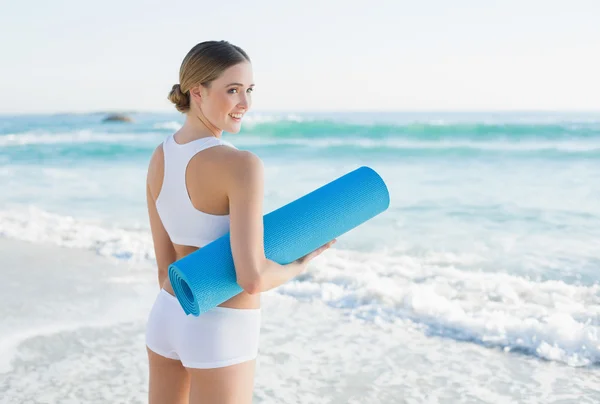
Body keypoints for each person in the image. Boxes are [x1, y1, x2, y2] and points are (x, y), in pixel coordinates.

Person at [144, 40, 336, 404]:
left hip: (167, 315)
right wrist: (300, 263)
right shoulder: (242, 165)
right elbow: (253, 278)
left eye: (248, 90)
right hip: (220, 329)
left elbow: (164, 270)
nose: (245, 104)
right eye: (233, 90)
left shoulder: (159, 156)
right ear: (197, 92)